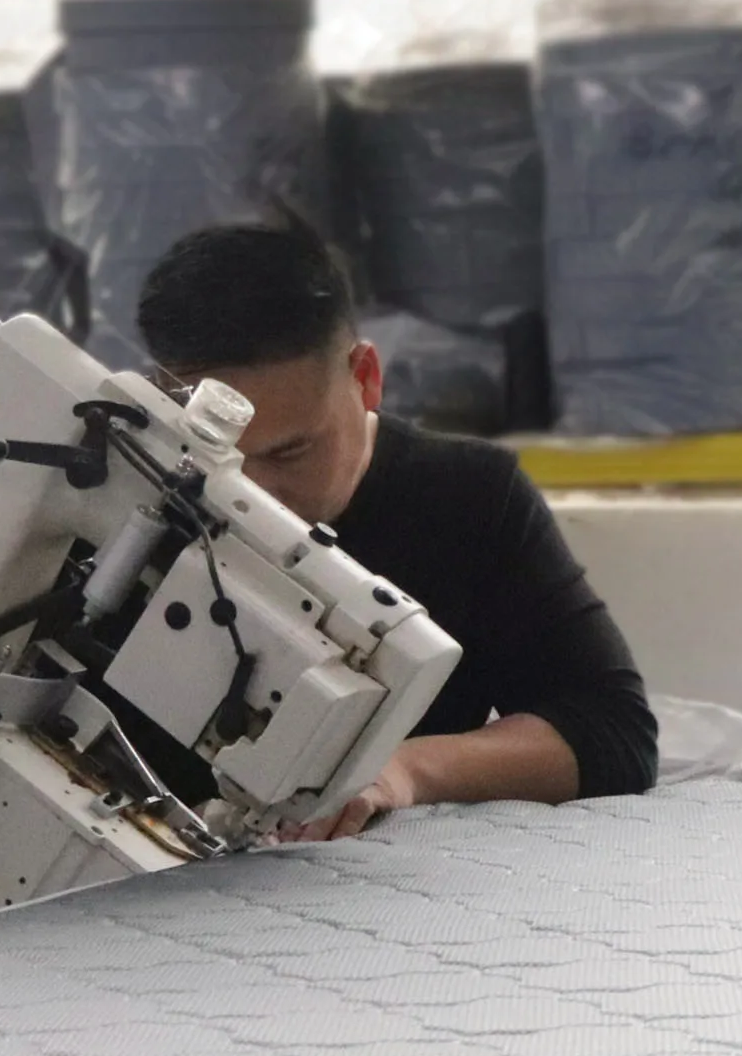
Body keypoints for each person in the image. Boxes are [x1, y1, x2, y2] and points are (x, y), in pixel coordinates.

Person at [135, 216, 657, 839]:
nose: (257, 495)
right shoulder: (138, 492)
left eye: (290, 452)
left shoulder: (470, 500)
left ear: (365, 377)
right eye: (226, 459)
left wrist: (398, 771)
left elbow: (612, 733)